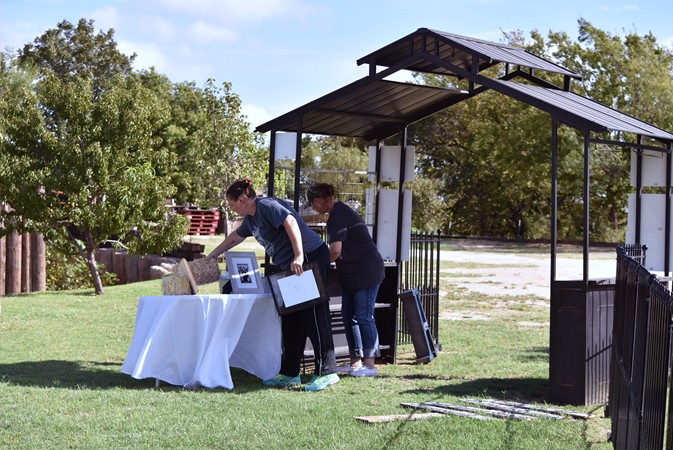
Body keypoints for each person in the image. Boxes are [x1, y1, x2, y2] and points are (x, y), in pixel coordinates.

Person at [208, 178, 338, 391]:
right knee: (292, 318)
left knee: (314, 315)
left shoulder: (266, 206)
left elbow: (291, 222)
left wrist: (298, 256)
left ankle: (327, 371)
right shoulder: (251, 219)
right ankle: (290, 373)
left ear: (242, 199)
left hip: (309, 258)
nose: (232, 209)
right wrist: (213, 255)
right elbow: (234, 237)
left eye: (232, 204)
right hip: (289, 266)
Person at [306, 183, 384, 377]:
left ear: (318, 200)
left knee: (363, 317)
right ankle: (355, 362)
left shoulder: (339, 214)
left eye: (312, 204)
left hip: (365, 273)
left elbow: (335, 250)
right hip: (351, 275)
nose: (313, 209)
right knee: (348, 316)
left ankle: (370, 365)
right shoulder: (337, 214)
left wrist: (318, 267)